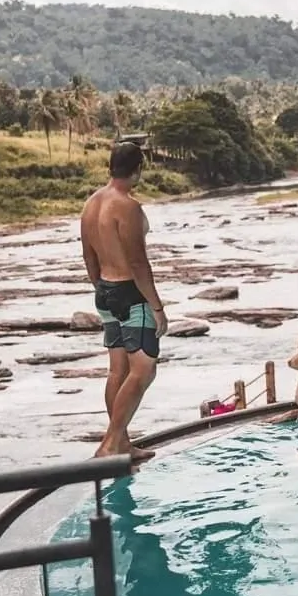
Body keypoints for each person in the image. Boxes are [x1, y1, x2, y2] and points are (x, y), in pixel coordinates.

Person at [80, 142, 168, 460]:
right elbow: (138, 263)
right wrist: (157, 307)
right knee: (144, 370)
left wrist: (101, 291)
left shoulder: (91, 203)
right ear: (139, 169)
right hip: (130, 292)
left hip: (104, 291)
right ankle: (112, 443)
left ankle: (123, 444)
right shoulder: (128, 206)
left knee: (117, 370)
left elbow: (88, 257)